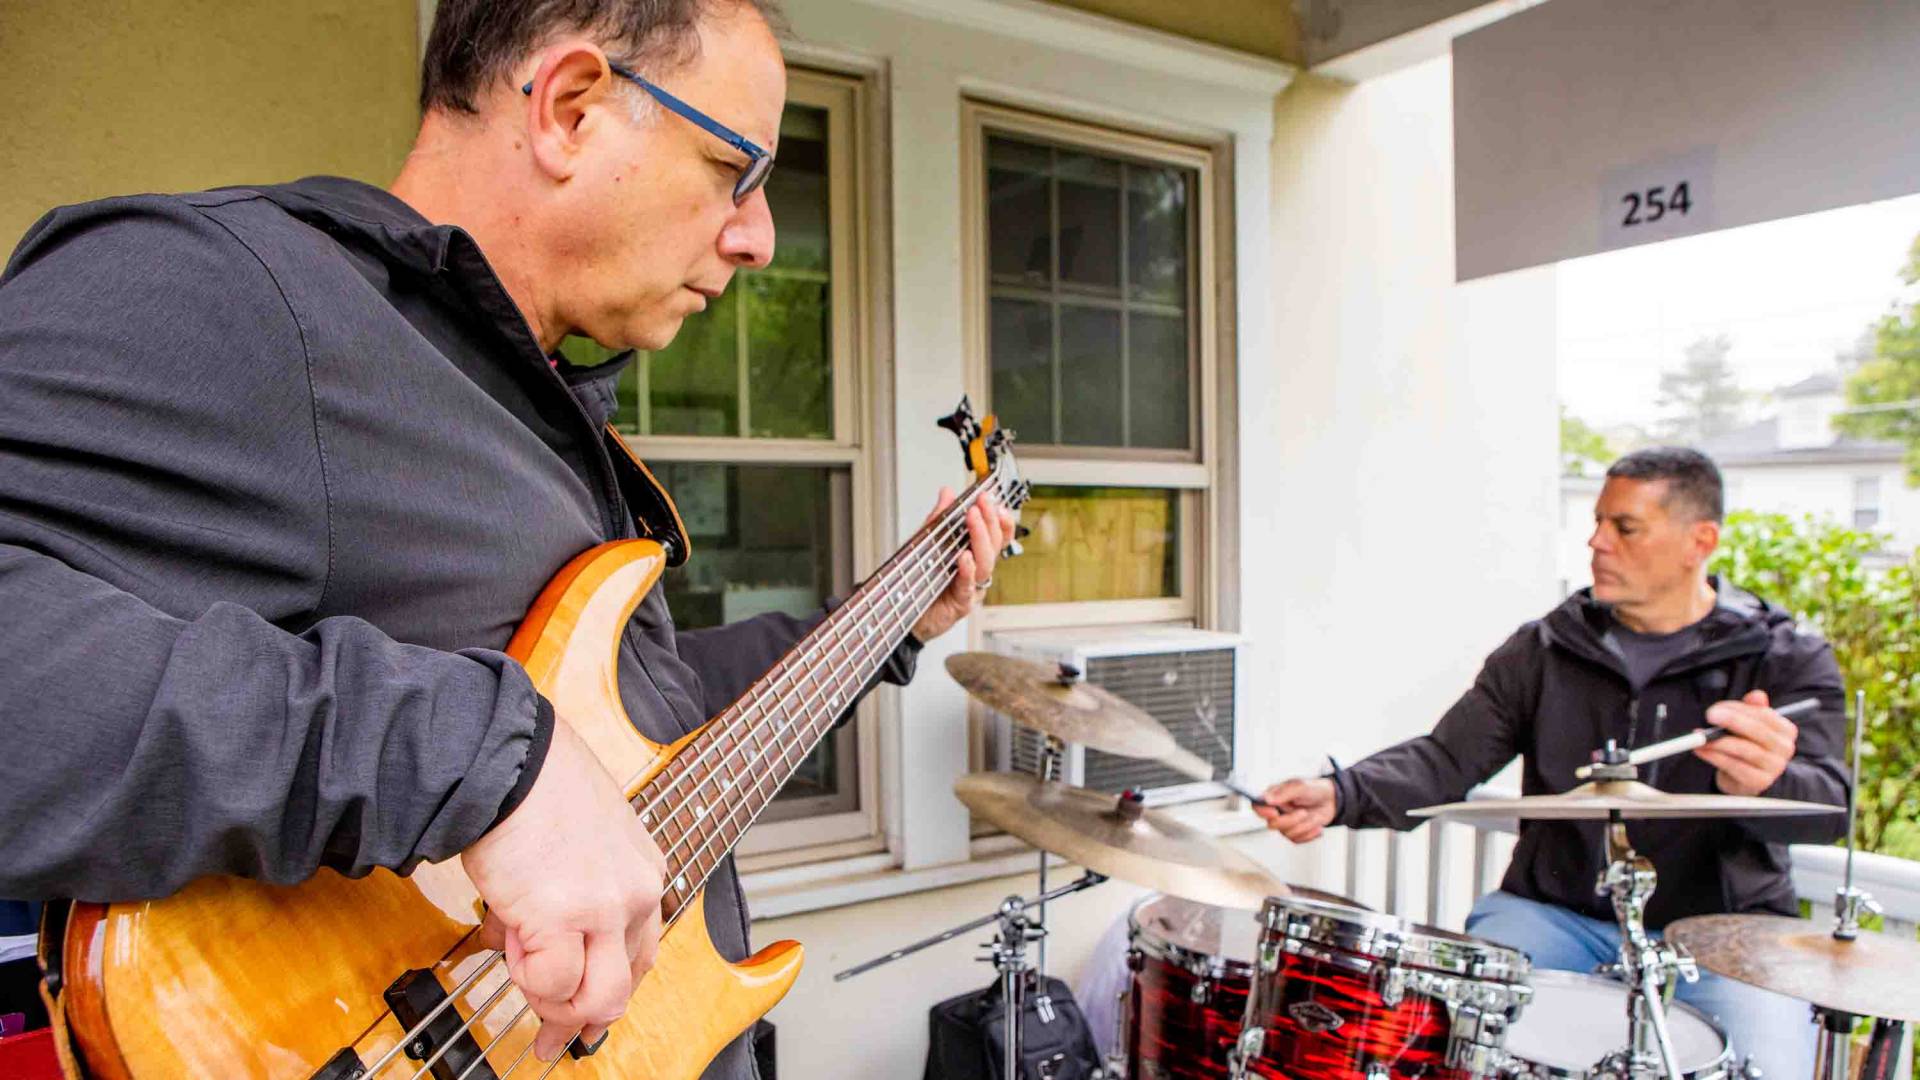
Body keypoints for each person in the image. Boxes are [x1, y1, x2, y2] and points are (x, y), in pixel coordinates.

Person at [0, 0, 1013, 1075]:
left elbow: (638, 731)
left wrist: (894, 617)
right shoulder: (235, 294)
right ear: (572, 109)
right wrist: (477, 759)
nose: (757, 236)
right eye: (735, 169)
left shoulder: (538, 412)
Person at [1256, 447, 1847, 1078]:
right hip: (1555, 915)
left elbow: (1831, 805)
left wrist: (1769, 783)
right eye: (1597, 522)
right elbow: (1446, 758)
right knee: (1469, 1043)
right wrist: (1341, 793)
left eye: (1625, 527)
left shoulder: (1784, 658)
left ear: (1698, 541)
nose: (1596, 542)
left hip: (1726, 937)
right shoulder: (1542, 648)